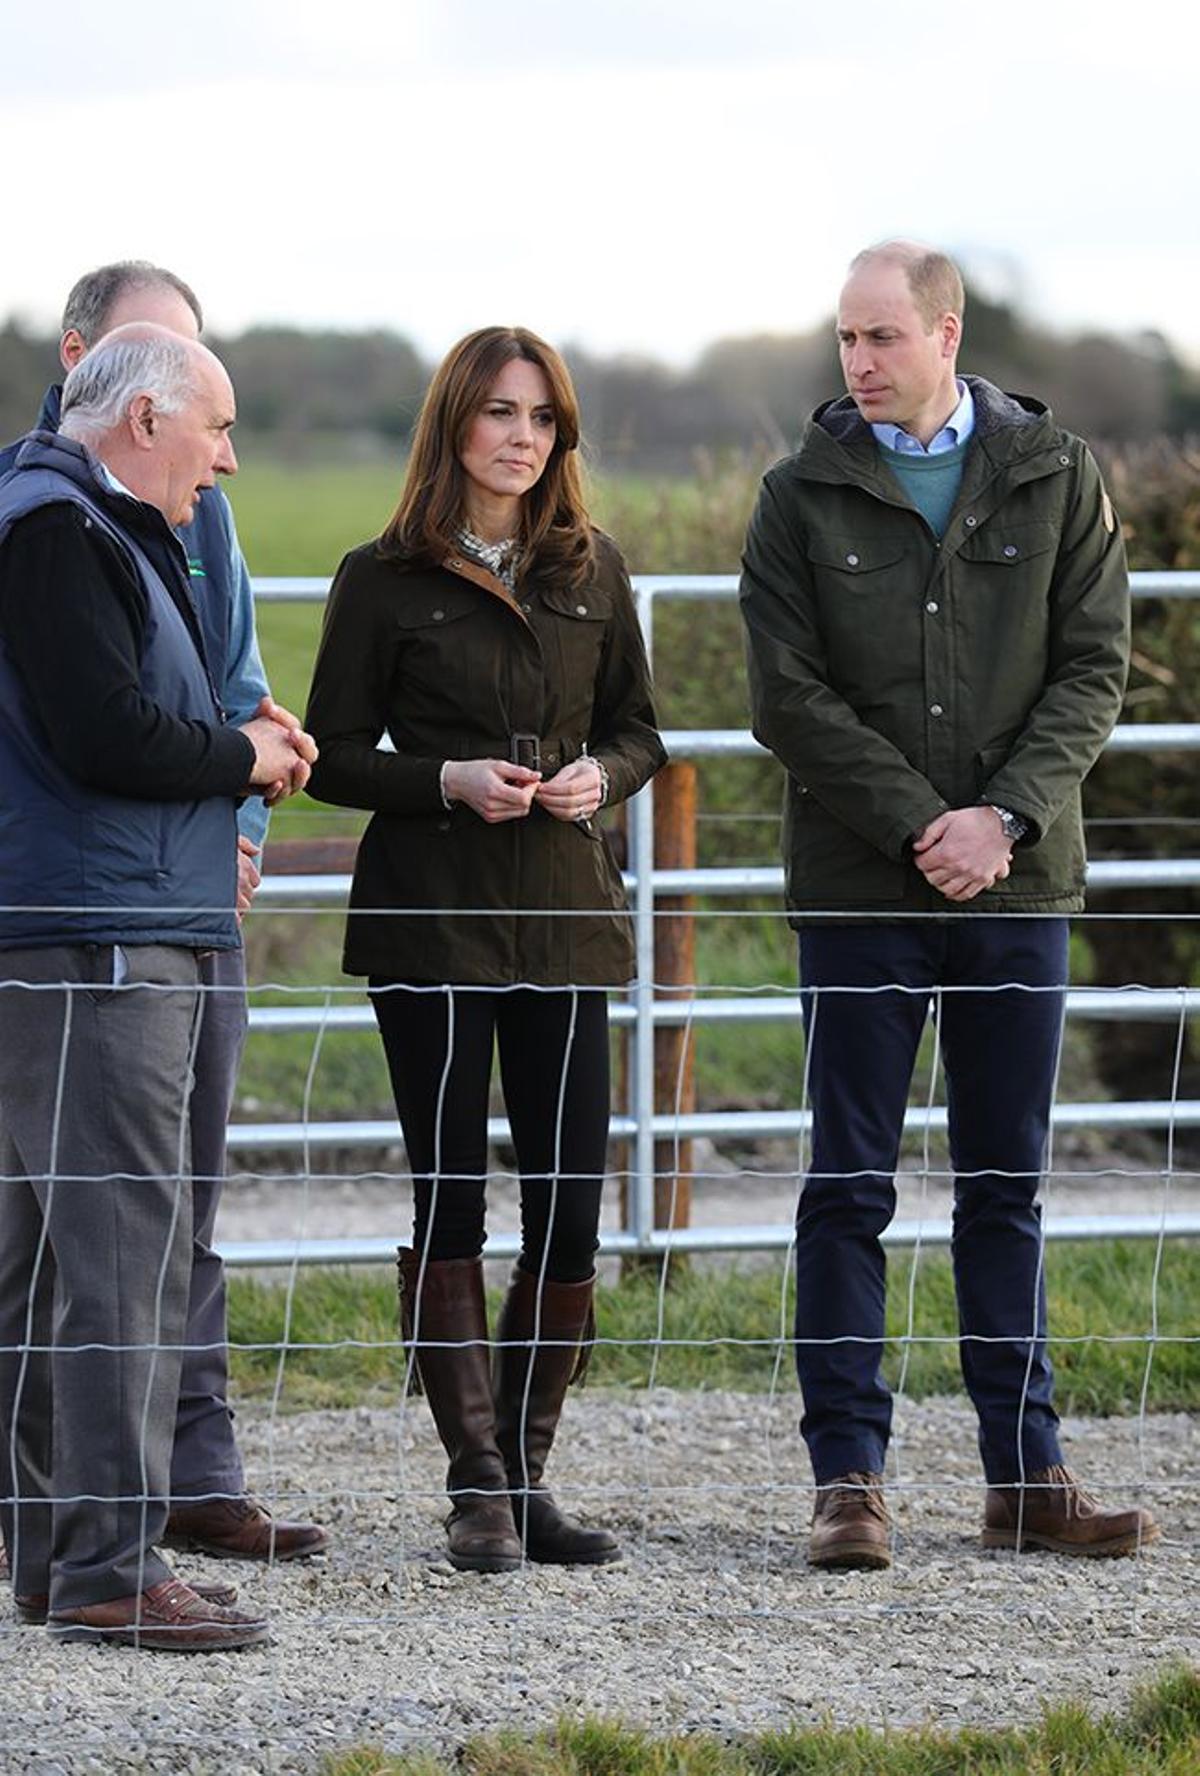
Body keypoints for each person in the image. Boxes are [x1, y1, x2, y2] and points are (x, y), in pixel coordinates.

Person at [739, 241, 1160, 1570]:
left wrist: (1006, 818)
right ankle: (848, 1483)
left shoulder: (1058, 476)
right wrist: (924, 823)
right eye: (844, 341)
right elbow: (785, 698)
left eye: (880, 339)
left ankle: (1027, 1476)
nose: (857, 364)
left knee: (1004, 1185)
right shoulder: (799, 495)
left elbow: (1095, 671)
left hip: (1016, 887)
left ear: (944, 332)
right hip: (863, 889)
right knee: (848, 1183)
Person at [305, 325, 665, 1572]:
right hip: (432, 919)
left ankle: (530, 1472)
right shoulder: (382, 576)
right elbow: (334, 756)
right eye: (500, 412)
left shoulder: (592, 567)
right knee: (450, 1191)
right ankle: (476, 1491)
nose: (522, 437)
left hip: (565, 917)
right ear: (454, 422)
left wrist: (594, 781)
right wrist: (446, 777)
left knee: (570, 1207)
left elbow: (640, 733)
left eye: (544, 418)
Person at [0, 261, 328, 1569]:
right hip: (100, 940)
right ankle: (109, 1568)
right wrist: (242, 757)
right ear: (144, 419)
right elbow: (106, 735)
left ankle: (51, 1553)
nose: (232, 462)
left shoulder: (94, 522)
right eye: (220, 429)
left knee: (51, 1260)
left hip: (117, 922)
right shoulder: (59, 530)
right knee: (119, 1262)